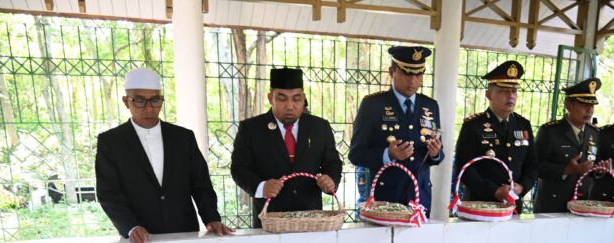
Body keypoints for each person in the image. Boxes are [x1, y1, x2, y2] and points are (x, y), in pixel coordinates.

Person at [95, 67, 233, 243]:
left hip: (184, 234)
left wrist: (212, 218)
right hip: (140, 240)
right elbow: (109, 193)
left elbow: (200, 183)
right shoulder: (111, 142)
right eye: (139, 100)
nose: (149, 108)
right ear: (126, 102)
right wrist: (131, 227)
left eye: (155, 100)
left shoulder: (183, 137)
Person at [230, 68, 342, 228]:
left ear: (303, 98)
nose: (290, 106)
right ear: (271, 98)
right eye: (282, 99)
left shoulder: (319, 127)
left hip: (310, 219)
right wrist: (262, 187)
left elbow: (333, 162)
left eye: (296, 99)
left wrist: (331, 179)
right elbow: (239, 169)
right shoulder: (251, 128)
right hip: (269, 222)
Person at [349, 46, 444, 213]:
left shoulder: (430, 106)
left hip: (419, 198)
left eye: (418, 74)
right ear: (392, 71)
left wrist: (436, 153)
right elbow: (356, 154)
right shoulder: (373, 105)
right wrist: (389, 154)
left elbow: (436, 155)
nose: (413, 80)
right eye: (407, 73)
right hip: (385, 199)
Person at [454, 60, 537, 213]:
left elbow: (532, 164)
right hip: (480, 203)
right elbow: (464, 167)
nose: (510, 96)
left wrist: (522, 186)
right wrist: (494, 190)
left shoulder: (523, 124)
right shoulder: (474, 125)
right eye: (503, 91)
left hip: (512, 204)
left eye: (514, 91)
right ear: (489, 94)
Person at [534, 78, 602, 213]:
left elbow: (595, 164)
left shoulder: (593, 133)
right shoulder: (550, 131)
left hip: (582, 205)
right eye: (584, 105)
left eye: (592, 106)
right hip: (552, 205)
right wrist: (566, 170)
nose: (589, 111)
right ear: (568, 105)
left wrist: (599, 170)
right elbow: (536, 167)